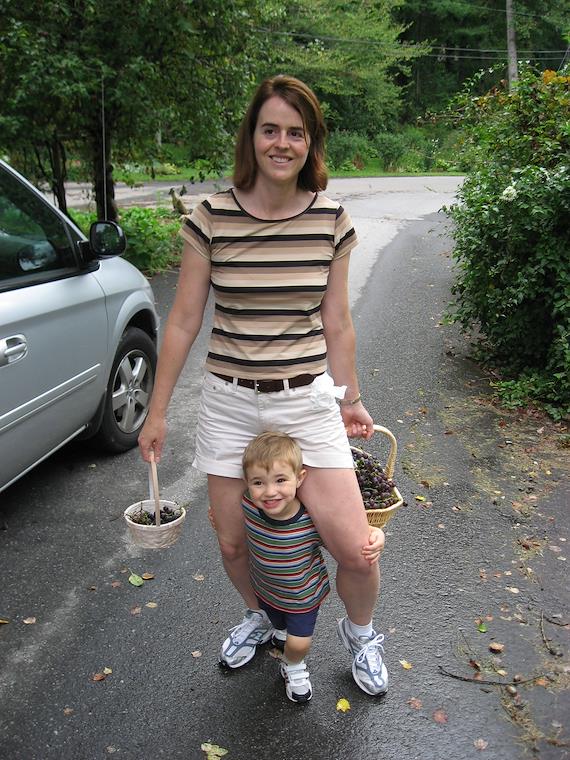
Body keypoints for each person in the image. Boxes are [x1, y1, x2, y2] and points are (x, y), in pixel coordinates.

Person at [138, 74, 388, 696]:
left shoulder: (330, 218)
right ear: (251, 137)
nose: (282, 143)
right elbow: (183, 320)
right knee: (233, 544)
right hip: (229, 403)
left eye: (295, 133)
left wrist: (352, 399)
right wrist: (157, 411)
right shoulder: (212, 216)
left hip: (306, 402)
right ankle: (266, 618)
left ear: (311, 143)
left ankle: (361, 636)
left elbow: (337, 321)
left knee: (356, 548)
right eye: (270, 129)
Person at [212, 431, 385, 703]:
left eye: (281, 480)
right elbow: (229, 525)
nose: (270, 491)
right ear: (246, 483)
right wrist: (217, 518)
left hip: (303, 600)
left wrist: (376, 534)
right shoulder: (248, 506)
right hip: (265, 591)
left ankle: (293, 665)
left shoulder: (309, 521)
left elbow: (347, 538)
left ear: (300, 478)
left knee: (298, 643)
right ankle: (273, 631)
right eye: (258, 482)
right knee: (279, 627)